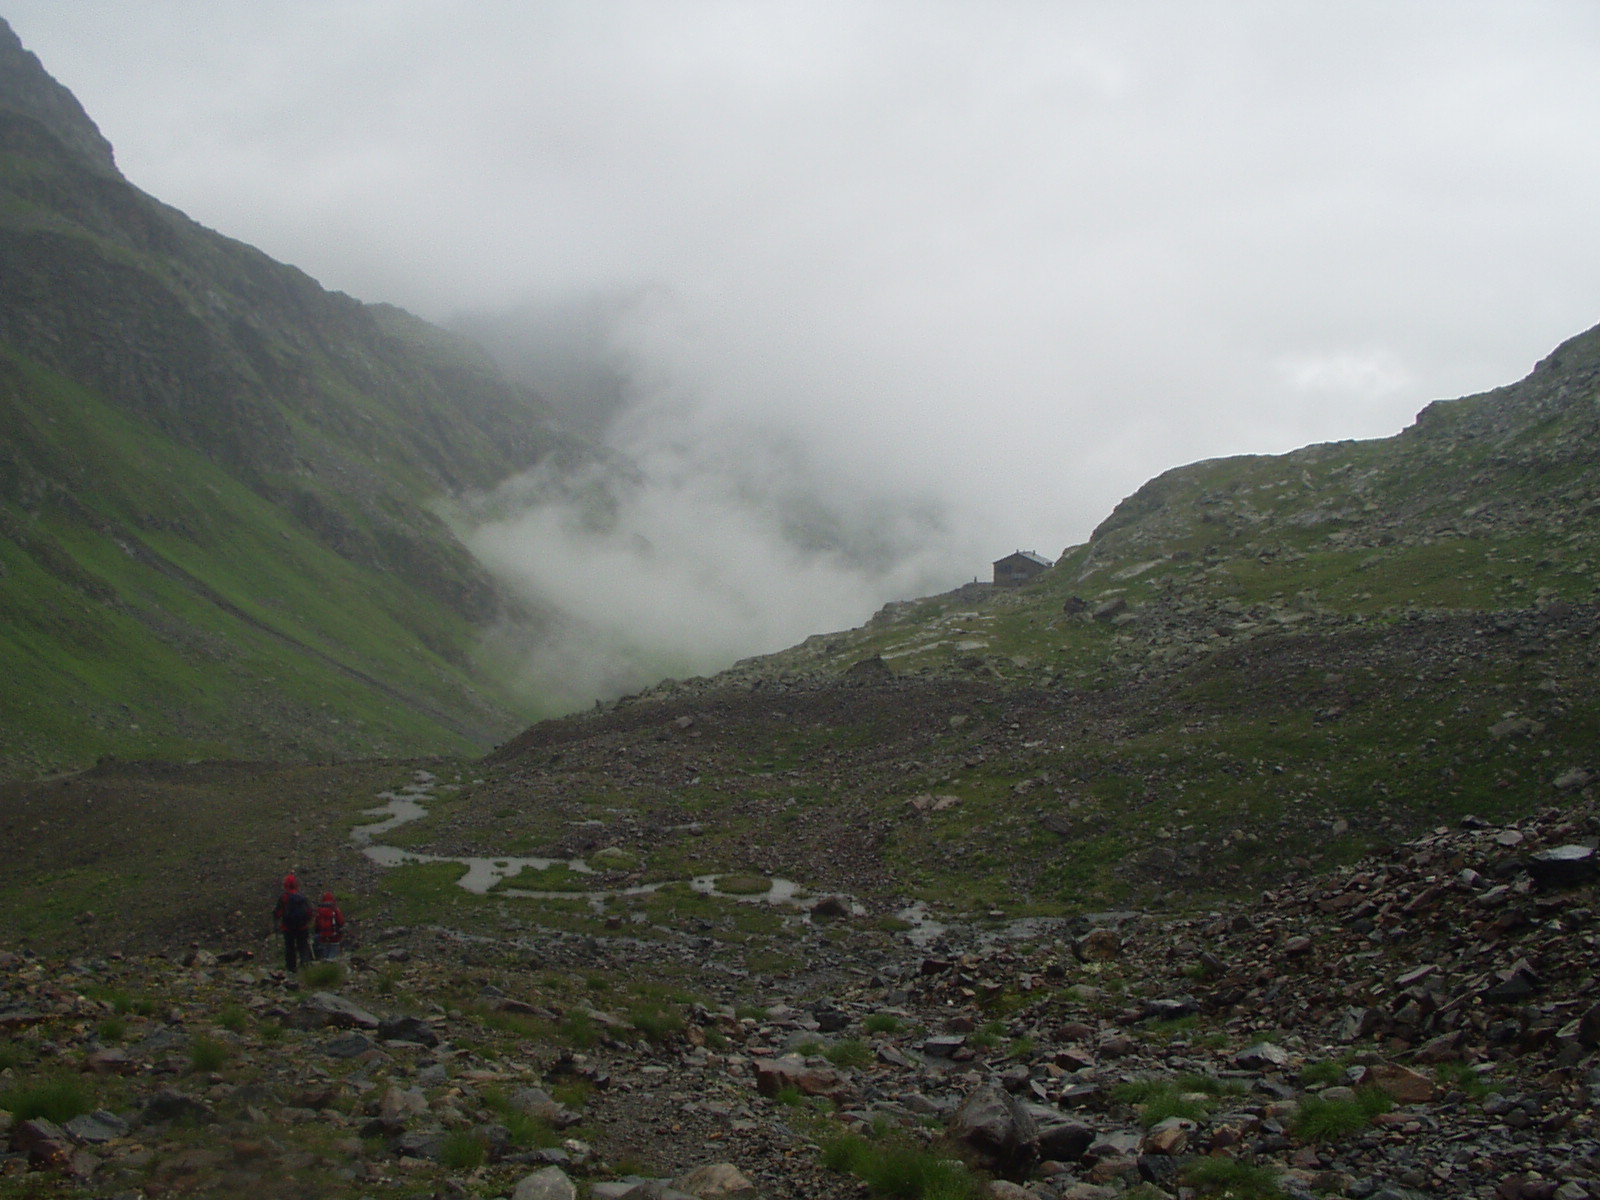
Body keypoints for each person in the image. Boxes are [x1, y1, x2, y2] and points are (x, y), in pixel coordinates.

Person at [272, 873, 313, 973]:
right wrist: (307, 922)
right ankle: (305, 964)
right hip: (302, 927)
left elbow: (278, 912)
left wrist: (276, 921)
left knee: (290, 948)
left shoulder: (284, 897)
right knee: (303, 946)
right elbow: (309, 912)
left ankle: (291, 968)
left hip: (288, 927)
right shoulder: (302, 897)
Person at [314, 891, 346, 960]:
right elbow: (341, 922)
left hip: (323, 937)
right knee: (333, 956)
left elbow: (316, 924)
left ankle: (325, 964)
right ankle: (331, 963)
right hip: (334, 937)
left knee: (324, 954)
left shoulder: (319, 910)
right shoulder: (335, 909)